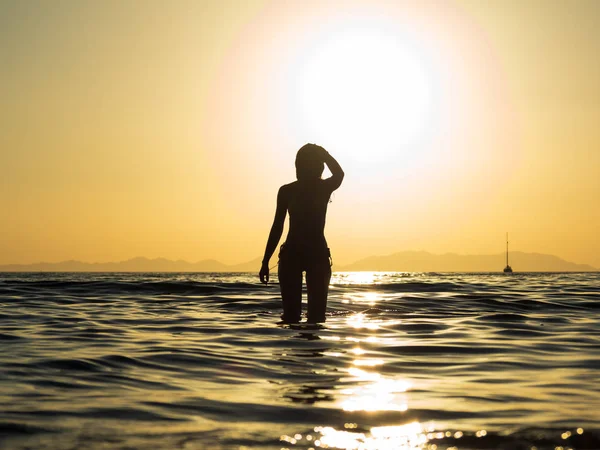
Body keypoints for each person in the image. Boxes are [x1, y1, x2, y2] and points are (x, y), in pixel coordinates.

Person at [259, 144, 344, 323]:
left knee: (316, 317)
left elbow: (339, 175)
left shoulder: (322, 188)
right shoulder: (287, 191)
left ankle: (303, 348)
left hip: (316, 255)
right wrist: (265, 260)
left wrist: (324, 154)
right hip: (293, 254)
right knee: (293, 316)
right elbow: (277, 226)